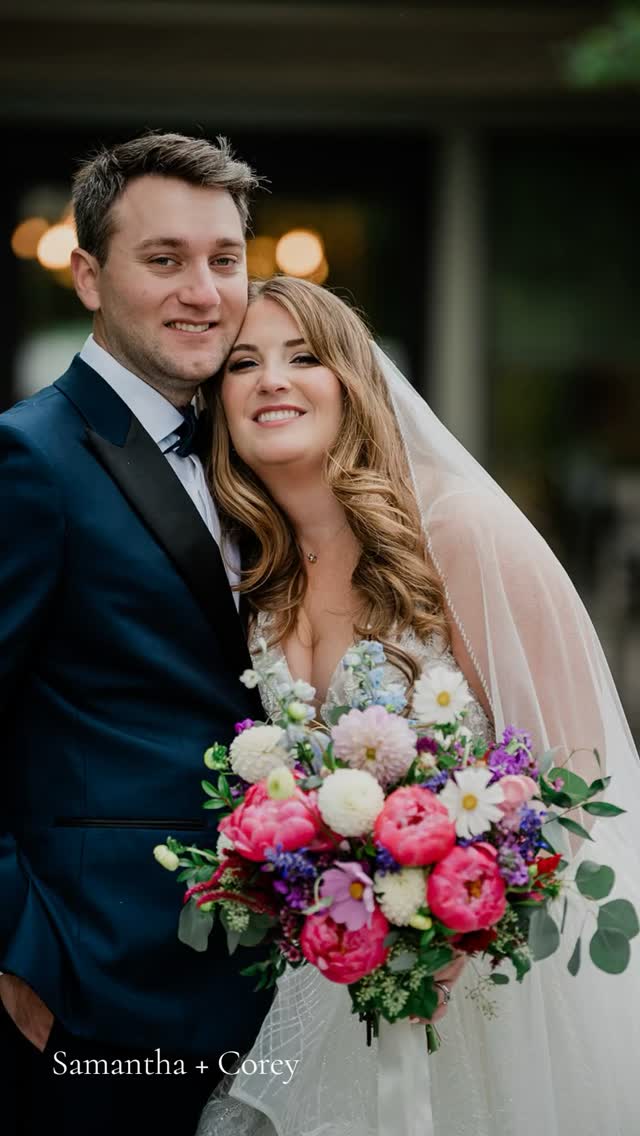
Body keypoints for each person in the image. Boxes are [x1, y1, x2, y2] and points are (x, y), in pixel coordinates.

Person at [196, 275, 640, 1136]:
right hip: (339, 978)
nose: (271, 379)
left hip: (501, 983)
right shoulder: (255, 572)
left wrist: (464, 916)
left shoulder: (458, 528)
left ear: (354, 381)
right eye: (243, 363)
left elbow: (580, 773)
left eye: (303, 356)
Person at [0, 132, 274, 1136]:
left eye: (224, 259)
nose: (203, 292)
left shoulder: (259, 453)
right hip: (91, 978)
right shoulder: (27, 459)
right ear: (88, 276)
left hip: (263, 975)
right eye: (164, 260)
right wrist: (17, 952)